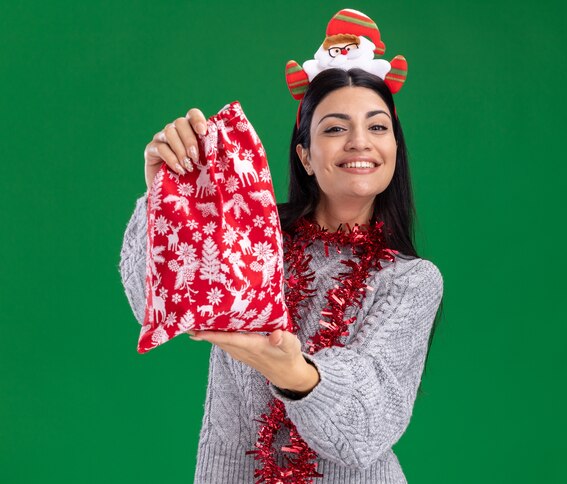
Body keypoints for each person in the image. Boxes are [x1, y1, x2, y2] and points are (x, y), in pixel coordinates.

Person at [119, 67, 444, 483]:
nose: (359, 141)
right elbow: (154, 299)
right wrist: (165, 197)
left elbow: (367, 429)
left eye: (377, 126)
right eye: (334, 128)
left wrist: (293, 373)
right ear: (305, 155)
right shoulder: (248, 237)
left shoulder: (411, 281)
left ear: (394, 150)